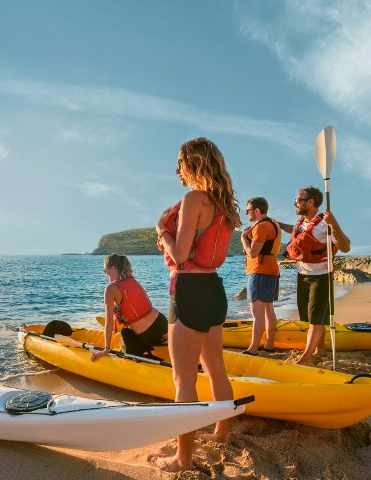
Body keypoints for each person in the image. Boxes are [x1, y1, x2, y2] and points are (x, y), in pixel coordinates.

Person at [150, 137, 241, 472]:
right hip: (213, 289)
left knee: (183, 381)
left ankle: (182, 459)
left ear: (193, 164)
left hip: (188, 289)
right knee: (216, 370)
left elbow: (180, 253)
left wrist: (162, 229)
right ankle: (222, 432)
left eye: (181, 164)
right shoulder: (224, 206)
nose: (177, 172)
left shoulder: (193, 199)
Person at [278, 186, 351, 365]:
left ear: (310, 202)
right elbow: (294, 231)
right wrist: (276, 223)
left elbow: (346, 246)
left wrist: (334, 224)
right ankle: (320, 350)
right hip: (302, 275)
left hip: (321, 276)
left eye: (298, 200)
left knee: (315, 320)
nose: (295, 203)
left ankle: (305, 358)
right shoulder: (301, 222)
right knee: (313, 317)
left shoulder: (324, 224)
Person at [91, 254, 168, 361]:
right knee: (127, 328)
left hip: (149, 334)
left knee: (126, 335)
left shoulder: (111, 288)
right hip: (162, 323)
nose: (106, 274)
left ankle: (142, 354)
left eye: (105, 271)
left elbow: (109, 322)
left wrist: (106, 349)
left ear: (113, 269)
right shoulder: (132, 280)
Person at [240, 197, 282, 356]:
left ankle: (253, 348)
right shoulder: (273, 223)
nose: (246, 213)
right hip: (270, 269)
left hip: (260, 270)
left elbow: (252, 252)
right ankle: (269, 344)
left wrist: (244, 239)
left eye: (248, 210)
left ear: (257, 210)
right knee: (268, 309)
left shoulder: (262, 227)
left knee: (257, 312)